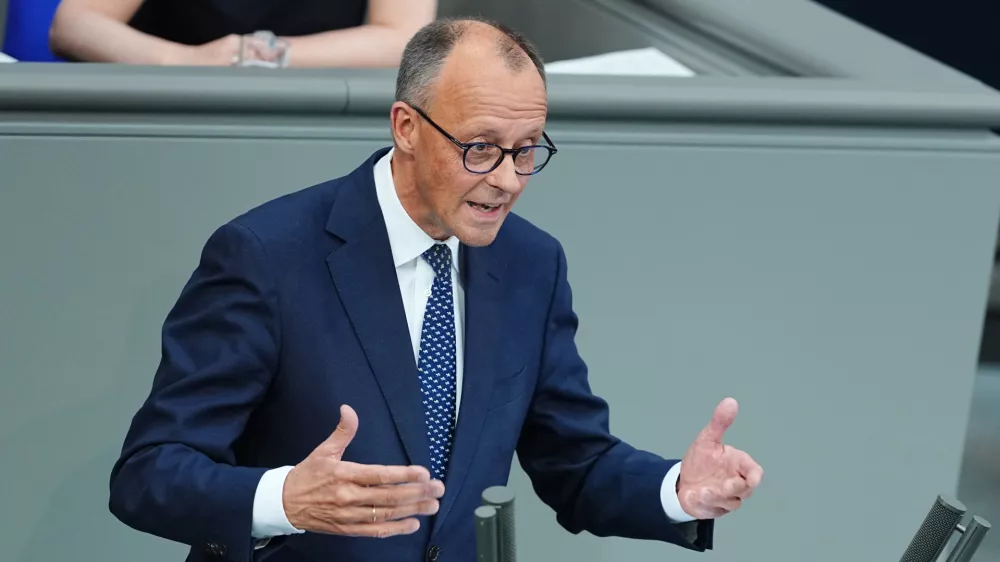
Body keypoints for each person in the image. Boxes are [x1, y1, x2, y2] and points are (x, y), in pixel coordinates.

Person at [107, 17, 764, 562]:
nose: (506, 179)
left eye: (527, 149)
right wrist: (282, 500)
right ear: (406, 128)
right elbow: (148, 473)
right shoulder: (268, 255)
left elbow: (577, 463)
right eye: (480, 148)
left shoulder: (531, 264)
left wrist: (680, 490)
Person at [47, 0, 435, 66]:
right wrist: (185, 61)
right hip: (176, 106)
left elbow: (403, 38)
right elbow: (76, 22)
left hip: (319, 110)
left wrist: (258, 56)